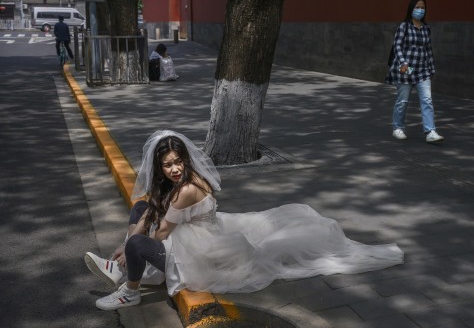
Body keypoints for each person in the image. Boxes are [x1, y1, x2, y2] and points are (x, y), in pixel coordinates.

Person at [85, 130, 404, 310]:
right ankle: (120, 266)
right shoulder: (171, 184)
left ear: (185, 158)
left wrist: (131, 247)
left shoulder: (188, 189)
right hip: (193, 236)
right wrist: (122, 245)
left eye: (178, 162)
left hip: (204, 251)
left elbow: (161, 231)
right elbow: (152, 211)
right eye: (167, 165)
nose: (174, 169)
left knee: (141, 240)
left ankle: (131, 289)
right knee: (141, 210)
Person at [385, 0, 444, 143]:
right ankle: (397, 128)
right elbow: (397, 46)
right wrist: (403, 62)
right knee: (403, 101)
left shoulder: (426, 28)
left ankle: (431, 131)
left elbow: (428, 49)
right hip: (407, 68)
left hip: (422, 69)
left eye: (423, 7)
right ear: (411, 9)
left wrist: (431, 67)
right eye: (417, 7)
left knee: (427, 100)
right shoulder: (404, 27)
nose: (420, 10)